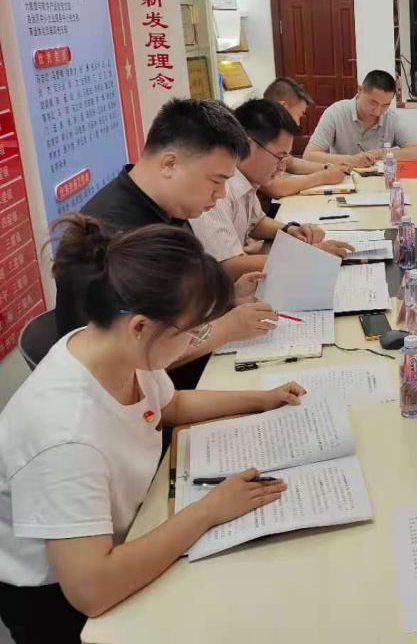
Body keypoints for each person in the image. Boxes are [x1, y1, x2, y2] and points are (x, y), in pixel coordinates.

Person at [0, 215, 305, 643]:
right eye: (193, 330)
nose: (196, 340)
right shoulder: (63, 433)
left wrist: (262, 399)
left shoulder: (114, 346)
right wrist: (209, 511)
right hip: (61, 601)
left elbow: (170, 404)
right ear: (140, 326)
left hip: (129, 528)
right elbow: (91, 590)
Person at [54, 98, 281, 385]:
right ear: (169, 164)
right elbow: (139, 354)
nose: (221, 194)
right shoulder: (116, 236)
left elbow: (171, 310)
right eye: (216, 181)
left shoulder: (168, 208)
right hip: (146, 391)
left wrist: (227, 300)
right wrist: (226, 327)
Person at [190, 99, 352, 281]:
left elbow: (255, 222)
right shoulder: (219, 189)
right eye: (279, 157)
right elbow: (228, 266)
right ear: (246, 145)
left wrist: (290, 230)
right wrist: (307, 256)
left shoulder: (246, 181)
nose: (282, 167)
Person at [303, 70, 417, 168]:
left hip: (380, 182)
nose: (378, 112)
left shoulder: (391, 118)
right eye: (373, 103)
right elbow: (309, 156)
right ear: (360, 90)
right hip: (343, 180)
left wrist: (382, 153)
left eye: (385, 105)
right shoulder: (336, 113)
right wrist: (351, 160)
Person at [261, 77, 350, 200]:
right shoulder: (259, 135)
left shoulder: (274, 133)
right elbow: (276, 188)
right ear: (283, 107)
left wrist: (327, 167)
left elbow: (290, 162)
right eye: (299, 115)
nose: (298, 123)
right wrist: (323, 177)